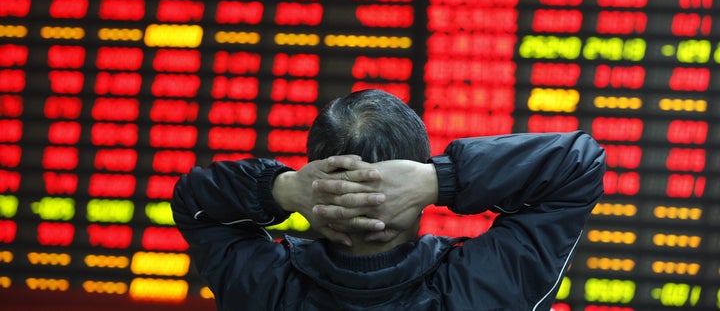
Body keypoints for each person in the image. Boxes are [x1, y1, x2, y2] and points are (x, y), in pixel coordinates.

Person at [171, 89, 606, 310]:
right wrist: (442, 180)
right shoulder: (485, 285)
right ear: (412, 186)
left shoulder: (265, 286)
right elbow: (577, 165)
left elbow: (193, 201)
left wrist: (280, 188)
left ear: (315, 179)